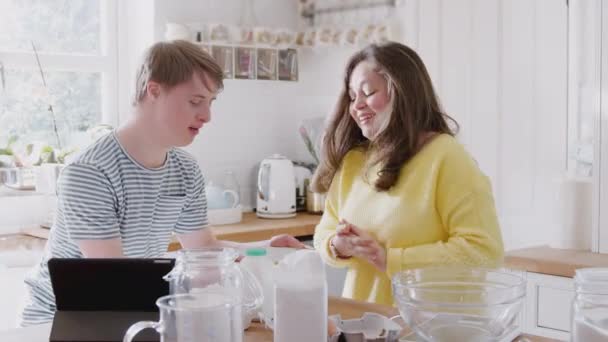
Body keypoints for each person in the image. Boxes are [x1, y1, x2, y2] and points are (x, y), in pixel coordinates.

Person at [20, 40, 304, 326]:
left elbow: (202, 249)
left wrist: (265, 247)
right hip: (58, 322)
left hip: (129, 312)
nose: (207, 116)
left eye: (210, 102)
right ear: (153, 90)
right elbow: (114, 278)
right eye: (195, 101)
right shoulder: (90, 172)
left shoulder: (185, 169)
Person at [312, 42, 504, 306]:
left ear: (403, 91)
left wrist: (390, 259)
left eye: (368, 92)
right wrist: (338, 246)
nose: (357, 106)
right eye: (352, 96)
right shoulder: (354, 163)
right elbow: (324, 233)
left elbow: (484, 251)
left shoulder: (447, 158)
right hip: (365, 325)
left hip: (431, 329)